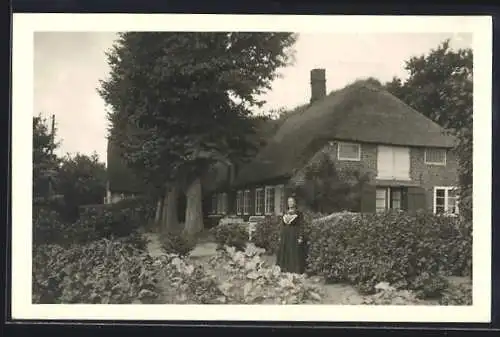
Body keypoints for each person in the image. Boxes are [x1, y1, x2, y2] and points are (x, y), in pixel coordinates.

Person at [276, 195, 306, 274]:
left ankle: (294, 270)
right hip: (285, 235)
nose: (290, 203)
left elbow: (301, 225)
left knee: (293, 251)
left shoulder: (299, 213)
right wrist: (280, 235)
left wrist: (300, 236)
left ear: (295, 203)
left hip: (294, 235)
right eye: (289, 202)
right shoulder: (285, 213)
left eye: (291, 201)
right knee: (285, 250)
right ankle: (284, 269)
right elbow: (282, 225)